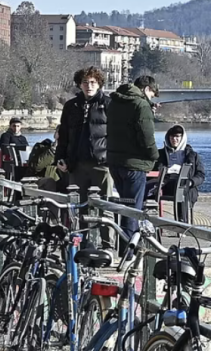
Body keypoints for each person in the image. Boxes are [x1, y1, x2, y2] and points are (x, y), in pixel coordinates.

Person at [106, 74, 159, 242]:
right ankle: (129, 253)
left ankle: (122, 247)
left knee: (123, 207)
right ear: (146, 89)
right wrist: (155, 157)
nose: (151, 99)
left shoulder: (115, 102)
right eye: (152, 94)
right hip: (135, 164)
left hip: (115, 161)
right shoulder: (141, 105)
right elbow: (146, 137)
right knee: (133, 210)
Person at [55, 67, 112, 197]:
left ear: (99, 84)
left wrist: (110, 158)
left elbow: (117, 135)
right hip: (76, 164)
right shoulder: (71, 106)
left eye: (93, 82)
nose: (89, 86)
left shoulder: (109, 104)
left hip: (101, 164)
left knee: (104, 205)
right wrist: (60, 158)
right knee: (78, 206)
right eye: (85, 82)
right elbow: (63, 135)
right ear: (80, 84)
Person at [150, 124, 205, 222]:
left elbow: (200, 175)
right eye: (172, 137)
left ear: (182, 138)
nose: (174, 139)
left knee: (182, 188)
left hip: (186, 185)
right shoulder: (160, 154)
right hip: (165, 184)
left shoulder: (192, 155)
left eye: (177, 137)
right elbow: (153, 170)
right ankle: (150, 219)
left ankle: (182, 221)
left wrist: (191, 182)